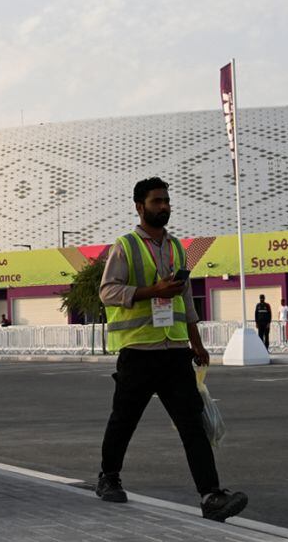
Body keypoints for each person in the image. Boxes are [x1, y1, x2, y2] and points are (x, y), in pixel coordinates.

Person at [96, 177, 247, 522]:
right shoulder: (126, 246)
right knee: (124, 420)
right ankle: (108, 478)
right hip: (138, 350)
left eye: (166, 200)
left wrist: (197, 342)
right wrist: (152, 290)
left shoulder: (179, 248)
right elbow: (108, 292)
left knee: (193, 424)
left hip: (176, 350)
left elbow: (185, 299)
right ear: (139, 206)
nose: (164, 206)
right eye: (156, 201)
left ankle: (211, 496)